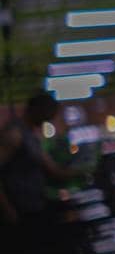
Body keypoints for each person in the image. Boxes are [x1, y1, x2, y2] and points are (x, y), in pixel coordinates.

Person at [0, 92, 73, 227]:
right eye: (47, 114)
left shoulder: (32, 135)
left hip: (33, 205)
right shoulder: (14, 134)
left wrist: (80, 171)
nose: (49, 119)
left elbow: (52, 169)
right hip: (18, 208)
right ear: (35, 110)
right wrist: (7, 209)